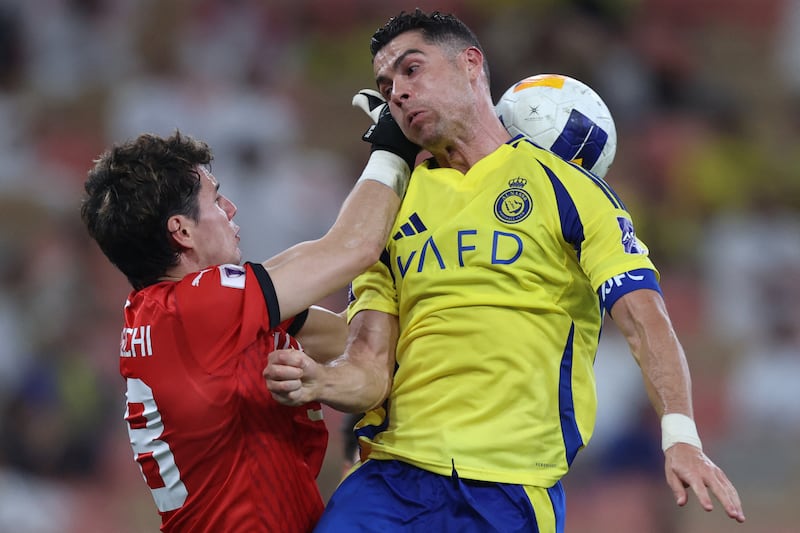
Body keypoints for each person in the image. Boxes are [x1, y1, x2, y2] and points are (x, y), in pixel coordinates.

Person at [264, 9, 746, 532]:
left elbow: (644, 318)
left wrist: (680, 436)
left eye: (412, 69)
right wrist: (322, 379)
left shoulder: (569, 189)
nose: (397, 92)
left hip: (511, 491)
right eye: (385, 85)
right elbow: (369, 365)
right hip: (391, 481)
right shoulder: (391, 209)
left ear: (471, 64)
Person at [79, 90, 419, 532]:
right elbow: (353, 247)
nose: (231, 209)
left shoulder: (181, 315)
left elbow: (346, 339)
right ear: (181, 231)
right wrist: (394, 145)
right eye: (216, 200)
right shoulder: (199, 308)